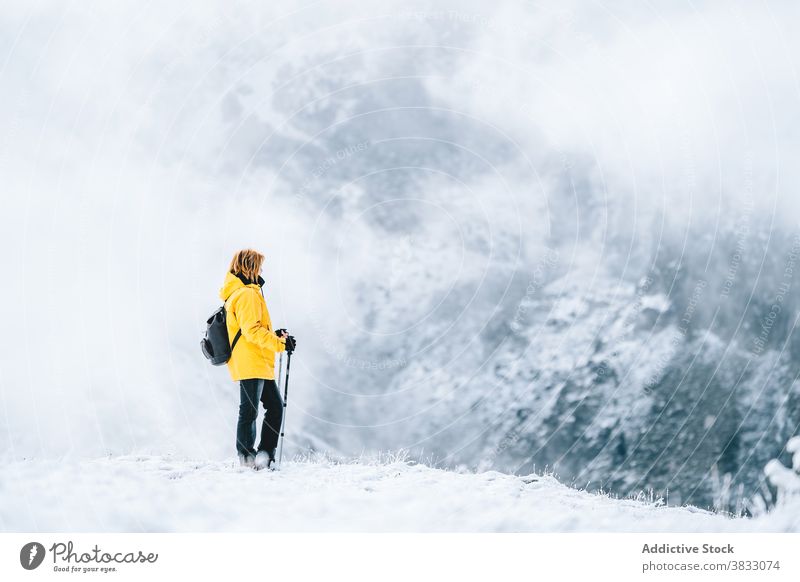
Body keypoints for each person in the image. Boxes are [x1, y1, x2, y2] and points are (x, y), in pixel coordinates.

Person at [219, 249, 293, 470]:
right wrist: (279, 344)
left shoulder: (239, 293)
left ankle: (261, 455)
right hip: (251, 360)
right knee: (252, 410)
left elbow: (253, 328)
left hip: (253, 360)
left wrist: (276, 335)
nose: (261, 270)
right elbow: (251, 331)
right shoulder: (247, 294)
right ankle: (249, 457)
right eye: (259, 265)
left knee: (271, 407)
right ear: (250, 267)